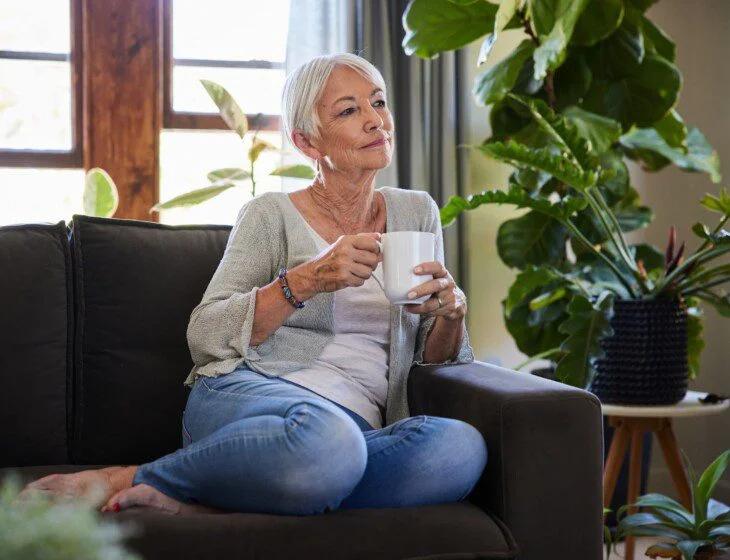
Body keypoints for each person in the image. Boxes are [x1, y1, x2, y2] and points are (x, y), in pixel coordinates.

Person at [19, 53, 487, 516]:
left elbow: (434, 360)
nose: (375, 121)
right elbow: (205, 334)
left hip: (356, 428)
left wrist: (452, 313)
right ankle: (139, 476)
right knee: (326, 441)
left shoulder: (416, 211)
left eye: (378, 102)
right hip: (255, 393)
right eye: (349, 110)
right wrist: (306, 280)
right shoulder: (270, 214)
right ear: (307, 142)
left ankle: (239, 487)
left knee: (460, 448)